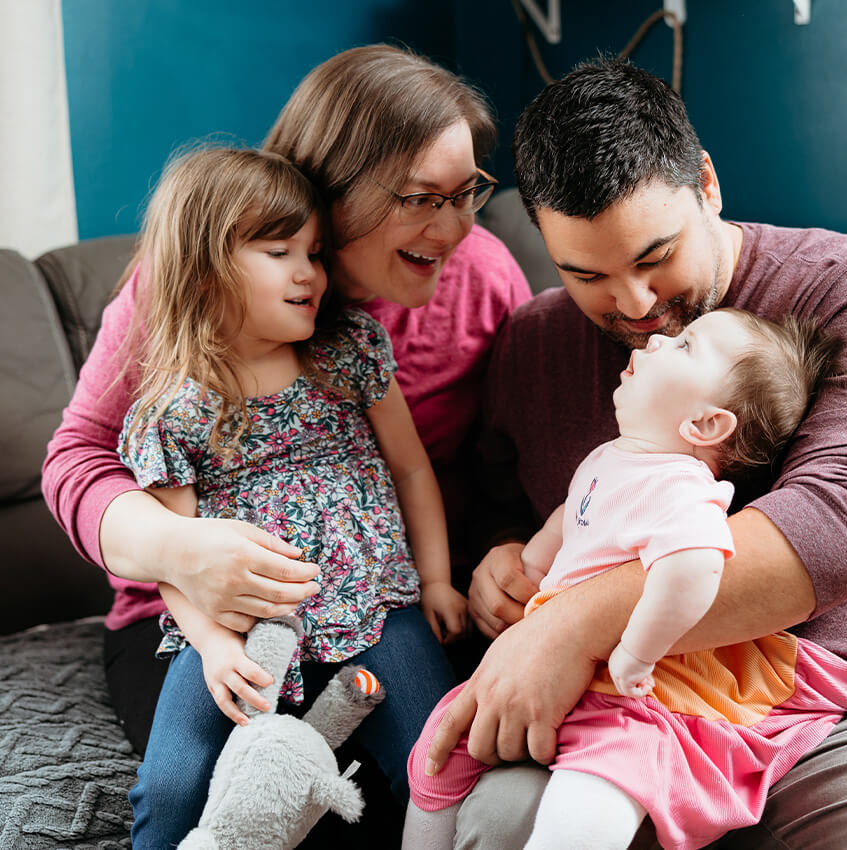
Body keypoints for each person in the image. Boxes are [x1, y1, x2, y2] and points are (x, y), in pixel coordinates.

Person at [428, 58, 847, 848]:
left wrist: (565, 628)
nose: (633, 306)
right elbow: (496, 505)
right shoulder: (533, 344)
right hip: (620, 712)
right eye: (586, 274)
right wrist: (499, 559)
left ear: (707, 183)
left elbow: (838, 530)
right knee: (498, 821)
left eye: (655, 256)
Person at [40, 44, 531, 844]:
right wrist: (176, 548)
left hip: (379, 596)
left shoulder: (483, 281)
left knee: (420, 788)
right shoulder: (189, 291)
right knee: (233, 798)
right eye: (420, 198)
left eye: (467, 192)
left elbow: (507, 466)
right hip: (210, 617)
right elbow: (78, 455)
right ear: (331, 194)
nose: (454, 227)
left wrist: (498, 555)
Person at [405, 307, 847, 850]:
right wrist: (530, 568)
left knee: (592, 801)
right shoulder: (612, 456)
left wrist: (638, 651)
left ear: (705, 424)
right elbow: (575, 515)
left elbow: (697, 569)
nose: (655, 343)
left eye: (685, 347)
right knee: (439, 748)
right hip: (559, 659)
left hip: (637, 682)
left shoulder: (681, 488)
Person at [109, 145, 469, 847]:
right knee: (174, 785)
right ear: (207, 270)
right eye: (280, 252)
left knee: (436, 763)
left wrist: (435, 580)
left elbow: (411, 470)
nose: (310, 272)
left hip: (375, 604)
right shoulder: (175, 408)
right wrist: (213, 648)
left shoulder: (348, 351)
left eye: (314, 252)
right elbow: (175, 559)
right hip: (243, 624)